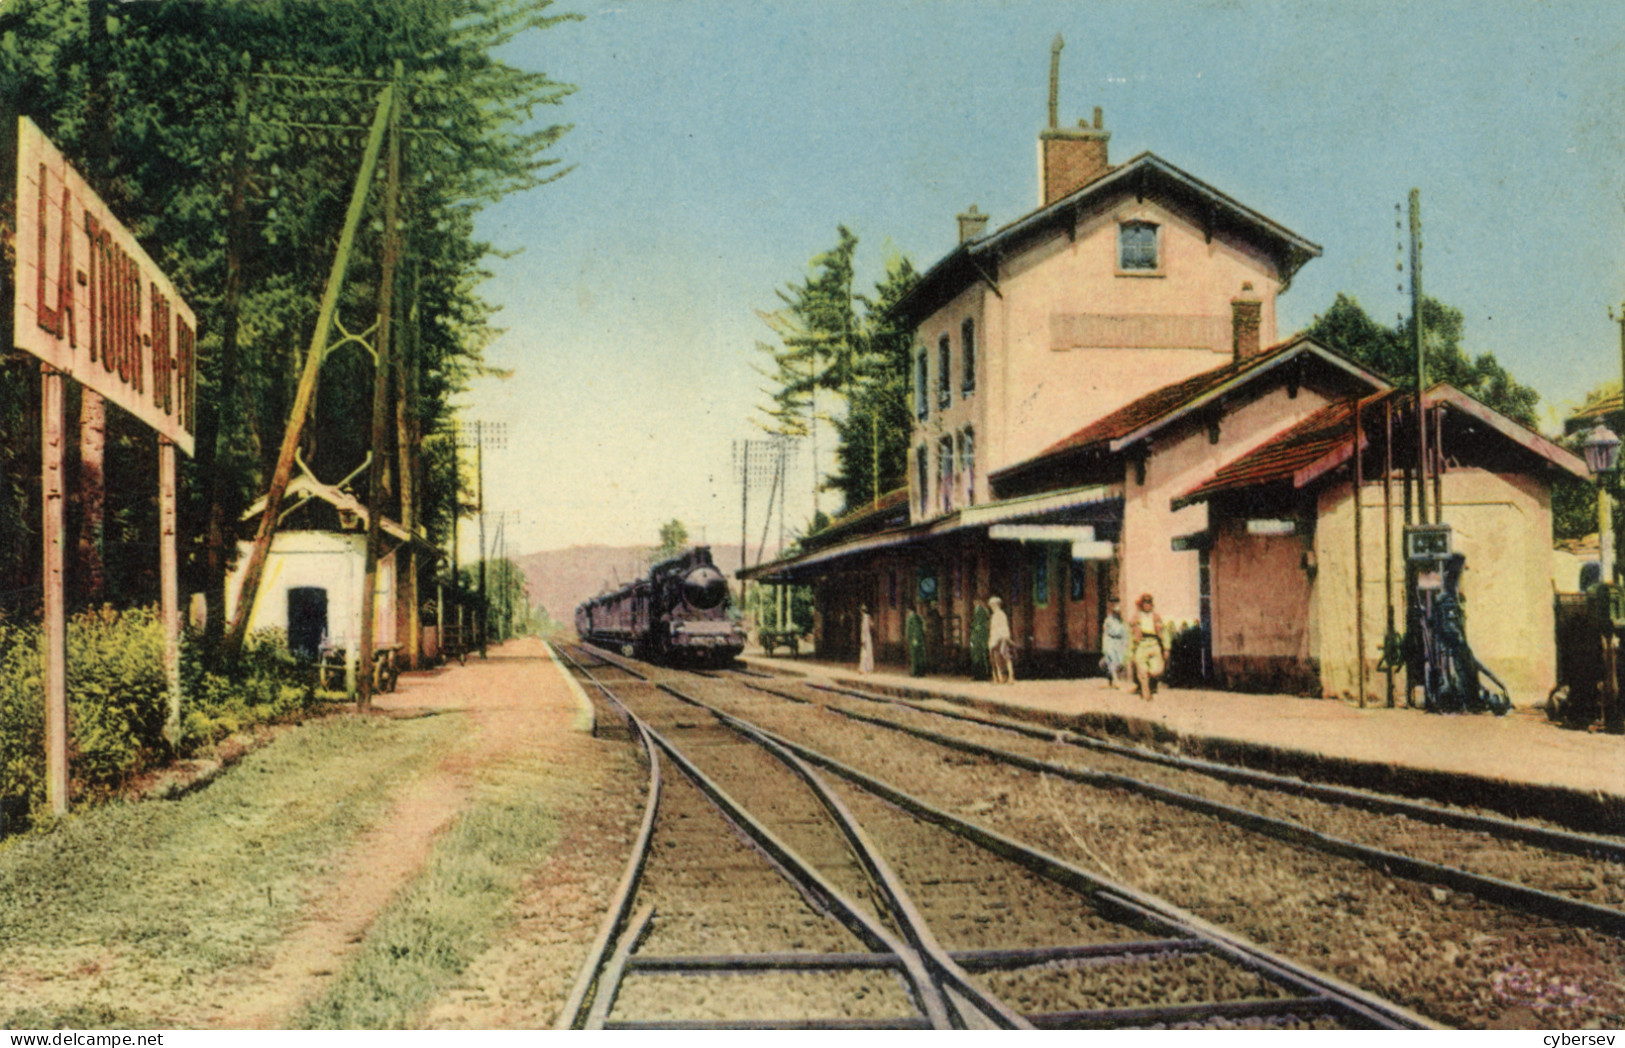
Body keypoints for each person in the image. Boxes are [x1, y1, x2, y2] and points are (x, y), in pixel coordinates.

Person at [1129, 593, 1165, 702]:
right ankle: (1146, 695)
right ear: (1142, 604)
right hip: (1141, 643)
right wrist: (1132, 648)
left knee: (1156, 670)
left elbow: (1163, 631)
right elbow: (1131, 630)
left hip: (1153, 643)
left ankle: (1151, 685)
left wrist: (1165, 647)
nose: (1147, 605)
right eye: (1145, 603)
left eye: (1149, 603)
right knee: (1142, 671)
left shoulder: (1156, 616)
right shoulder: (1136, 616)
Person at [1101, 597, 1129, 688]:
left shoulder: (1122, 621)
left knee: (1118, 661)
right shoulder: (1108, 620)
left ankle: (1110, 681)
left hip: (1119, 642)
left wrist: (1125, 643)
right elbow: (1105, 633)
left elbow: (1125, 633)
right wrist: (1105, 645)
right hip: (1110, 641)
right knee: (1112, 659)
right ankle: (1116, 680)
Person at [987, 595, 1013, 684]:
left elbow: (1004, 627)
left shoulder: (1001, 614)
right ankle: (999, 677)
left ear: (997, 605)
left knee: (1005, 656)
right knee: (995, 659)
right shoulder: (994, 615)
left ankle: (1011, 677)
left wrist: (1005, 638)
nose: (992, 607)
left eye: (993, 605)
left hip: (1001, 638)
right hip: (994, 639)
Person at [968, 597, 992, 681]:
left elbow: (976, 625)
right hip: (981, 638)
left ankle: (980, 675)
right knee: (982, 655)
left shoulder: (979, 611)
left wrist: (972, 636)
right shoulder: (985, 611)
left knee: (978, 656)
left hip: (978, 638)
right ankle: (982, 674)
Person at [905, 601, 926, 677]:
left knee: (914, 655)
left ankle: (915, 672)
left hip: (914, 639)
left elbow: (914, 629)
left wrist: (914, 638)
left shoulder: (912, 617)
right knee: (919, 655)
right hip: (917, 638)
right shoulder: (918, 617)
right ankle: (920, 672)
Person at [858, 604, 875, 674]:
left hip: (865, 637)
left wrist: (863, 639)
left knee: (864, 652)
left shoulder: (865, 618)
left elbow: (864, 629)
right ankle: (868, 667)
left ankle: (864, 668)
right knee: (867, 651)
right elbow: (872, 625)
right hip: (867, 636)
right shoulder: (868, 617)